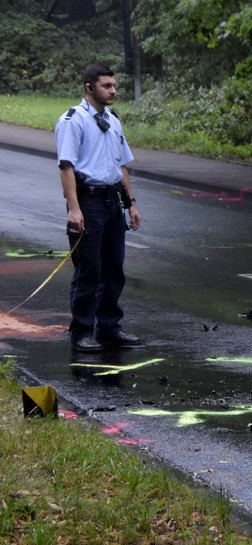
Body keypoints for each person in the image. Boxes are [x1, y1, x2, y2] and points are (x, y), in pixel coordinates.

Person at [55, 63, 142, 353]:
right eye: (107, 86)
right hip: (88, 202)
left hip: (111, 202)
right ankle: (81, 332)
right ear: (89, 88)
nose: (113, 90)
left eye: (114, 85)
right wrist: (74, 208)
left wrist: (131, 204)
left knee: (114, 268)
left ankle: (109, 328)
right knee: (89, 270)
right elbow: (66, 167)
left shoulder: (113, 121)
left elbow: (121, 165)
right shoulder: (73, 120)